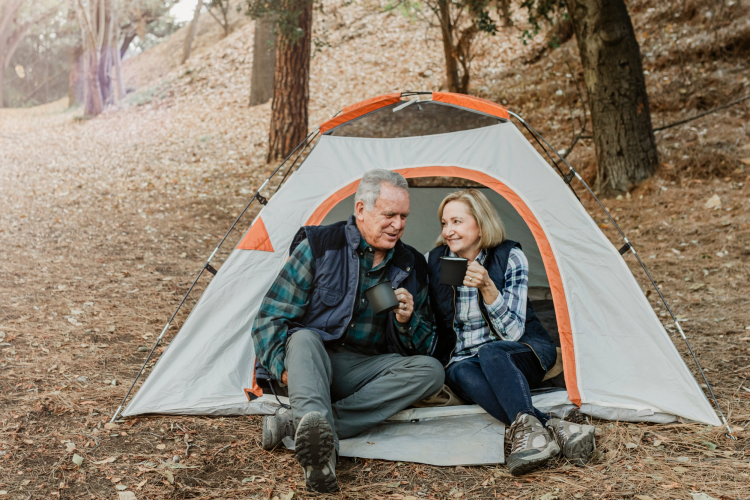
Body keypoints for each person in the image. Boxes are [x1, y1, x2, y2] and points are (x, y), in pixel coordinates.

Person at [251, 170, 443, 493]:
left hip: (362, 370)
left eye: (404, 216)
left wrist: (406, 321)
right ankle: (320, 458)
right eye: (389, 215)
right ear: (361, 210)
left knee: (432, 371)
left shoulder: (411, 265)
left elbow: (423, 349)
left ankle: (305, 423)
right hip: (312, 362)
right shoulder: (320, 245)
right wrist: (287, 374)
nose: (398, 225)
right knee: (302, 337)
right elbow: (269, 319)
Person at [427, 189, 595, 476]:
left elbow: (513, 333)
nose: (448, 231)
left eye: (457, 222)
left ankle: (537, 435)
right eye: (445, 223)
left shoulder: (510, 257)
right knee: (458, 371)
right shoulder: (434, 260)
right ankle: (555, 426)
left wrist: (488, 288)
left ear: (480, 225)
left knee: (491, 352)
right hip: (466, 359)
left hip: (516, 351)